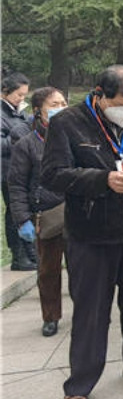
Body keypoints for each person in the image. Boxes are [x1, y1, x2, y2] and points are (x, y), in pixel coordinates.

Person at [41, 65, 123, 399]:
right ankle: (79, 384)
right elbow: (52, 175)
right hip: (91, 235)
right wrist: (102, 179)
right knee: (91, 313)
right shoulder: (68, 123)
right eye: (118, 104)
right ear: (99, 94)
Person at [8, 87, 68, 337]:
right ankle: (51, 317)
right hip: (46, 215)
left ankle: (89, 313)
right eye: (55, 104)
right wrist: (23, 219)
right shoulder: (27, 145)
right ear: (38, 111)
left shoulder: (72, 137)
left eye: (64, 102)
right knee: (48, 271)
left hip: (77, 213)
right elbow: (17, 185)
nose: (61, 107)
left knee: (84, 269)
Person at [2, 71, 37, 271]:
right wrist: (20, 138)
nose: (21, 99)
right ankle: (19, 255)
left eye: (24, 95)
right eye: (18, 95)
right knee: (14, 213)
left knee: (25, 212)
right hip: (7, 170)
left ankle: (30, 254)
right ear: (5, 92)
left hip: (22, 168)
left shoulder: (18, 112)